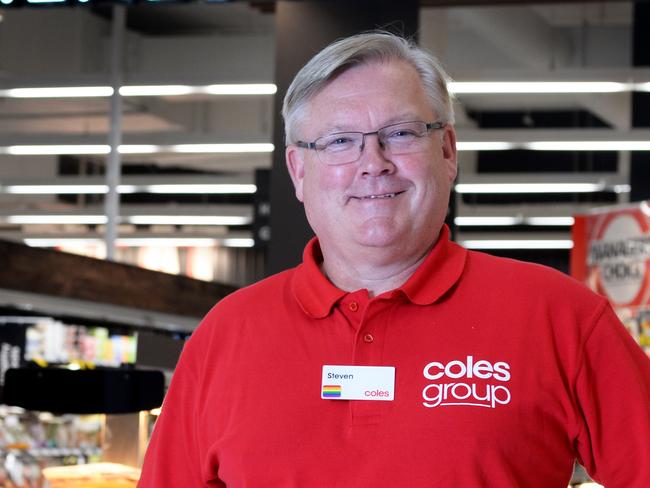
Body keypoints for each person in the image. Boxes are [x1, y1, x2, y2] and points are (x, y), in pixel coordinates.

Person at [138, 32, 650, 487]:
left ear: (448, 151)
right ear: (298, 170)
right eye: (339, 142)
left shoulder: (562, 317)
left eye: (401, 133)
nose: (373, 164)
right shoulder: (226, 335)